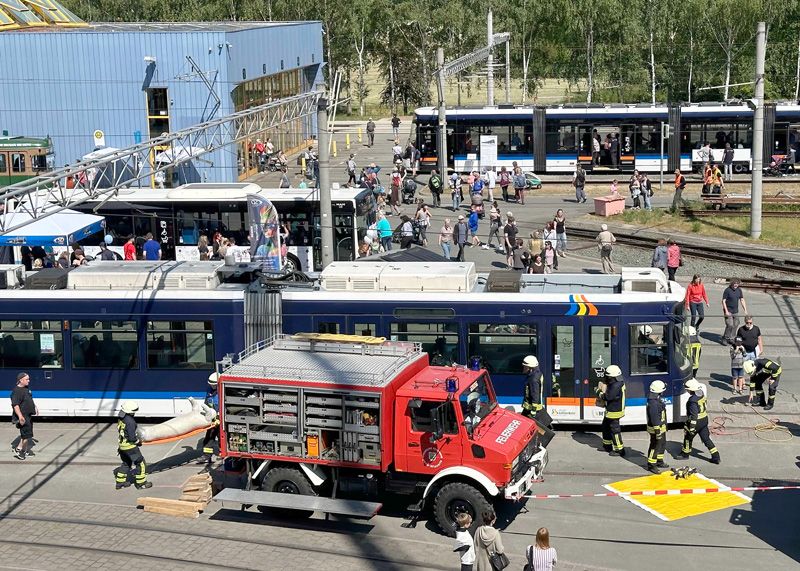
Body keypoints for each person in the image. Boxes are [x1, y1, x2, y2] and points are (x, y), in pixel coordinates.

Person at [678, 378, 720, 463]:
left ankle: (685, 454)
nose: (687, 391)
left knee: (688, 438)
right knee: (706, 439)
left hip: (696, 422)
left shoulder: (692, 401)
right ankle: (716, 456)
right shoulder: (701, 393)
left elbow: (694, 415)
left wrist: (692, 427)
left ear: (691, 390)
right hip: (704, 420)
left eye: (688, 389)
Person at [114, 401, 153, 489]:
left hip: (122, 446)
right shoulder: (130, 421)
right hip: (130, 447)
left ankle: (120, 482)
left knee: (126, 463)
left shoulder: (121, 418)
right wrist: (138, 442)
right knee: (141, 463)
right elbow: (132, 438)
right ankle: (141, 483)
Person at [596, 364, 626, 456]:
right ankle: (607, 445)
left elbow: (608, 397)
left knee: (615, 431)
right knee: (605, 427)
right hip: (612, 410)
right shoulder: (617, 383)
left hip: (614, 411)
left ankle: (619, 450)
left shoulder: (616, 385)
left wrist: (599, 393)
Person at [11, 372, 37, 460]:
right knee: (26, 435)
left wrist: (35, 407)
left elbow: (30, 399)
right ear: (21, 380)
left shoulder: (26, 389)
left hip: (28, 415)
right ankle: (20, 451)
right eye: (27, 379)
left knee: (27, 434)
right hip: (23, 416)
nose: (29, 381)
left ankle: (22, 449)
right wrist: (20, 416)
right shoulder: (16, 392)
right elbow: (15, 405)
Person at [645, 380, 669, 474]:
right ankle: (651, 464)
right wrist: (658, 431)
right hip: (656, 429)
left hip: (661, 427)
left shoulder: (655, 398)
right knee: (655, 446)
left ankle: (659, 461)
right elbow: (655, 418)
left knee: (662, 444)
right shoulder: (653, 403)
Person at [200, 373, 220, 463]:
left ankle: (223, 454)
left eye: (214, 385)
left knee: (222, 438)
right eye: (211, 385)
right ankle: (207, 456)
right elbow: (207, 402)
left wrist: (219, 417)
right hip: (212, 419)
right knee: (209, 438)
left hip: (221, 420)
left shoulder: (222, 391)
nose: (212, 386)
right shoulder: (209, 391)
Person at [722, 279, 747, 345]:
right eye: (734, 283)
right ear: (732, 283)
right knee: (730, 324)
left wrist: (745, 310)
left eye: (737, 283)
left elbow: (742, 299)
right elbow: (723, 301)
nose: (736, 285)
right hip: (728, 310)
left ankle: (732, 338)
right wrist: (726, 311)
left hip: (735, 311)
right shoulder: (727, 290)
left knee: (736, 324)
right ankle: (725, 338)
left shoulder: (739, 290)